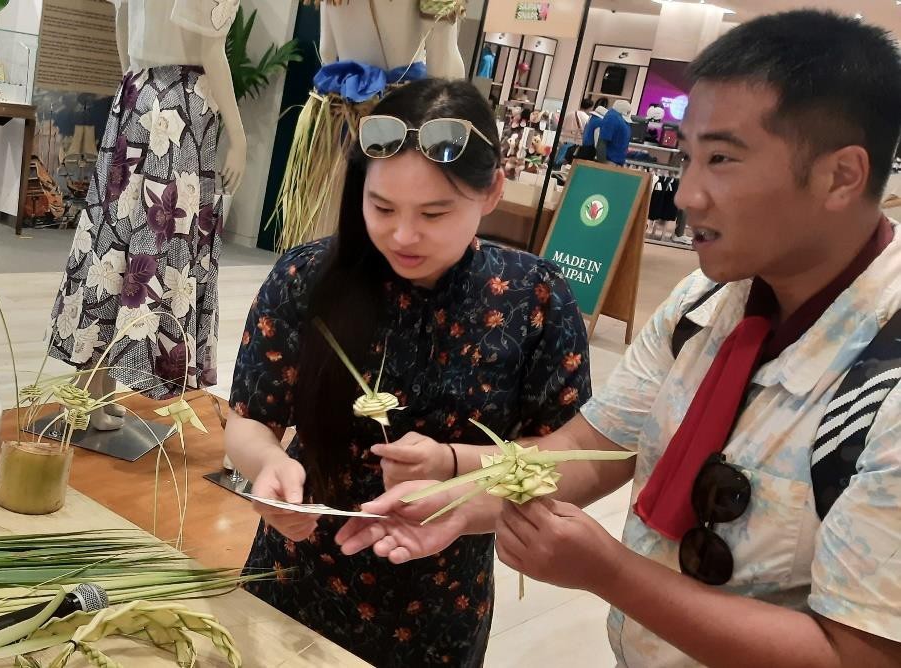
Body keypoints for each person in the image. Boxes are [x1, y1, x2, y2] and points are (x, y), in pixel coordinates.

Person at [338, 10, 901, 667]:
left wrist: (610, 573)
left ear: (840, 176)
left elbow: (861, 655)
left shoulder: (881, 382)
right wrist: (462, 490)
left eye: (721, 159)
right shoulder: (707, 302)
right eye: (686, 156)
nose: (687, 193)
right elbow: (587, 449)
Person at [226, 79, 593, 668]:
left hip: (440, 604)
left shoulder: (535, 300)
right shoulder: (307, 278)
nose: (403, 235)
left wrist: (454, 464)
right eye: (382, 207)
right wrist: (270, 468)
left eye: (434, 212)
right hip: (292, 581)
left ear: (493, 190)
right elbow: (247, 423)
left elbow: (569, 455)